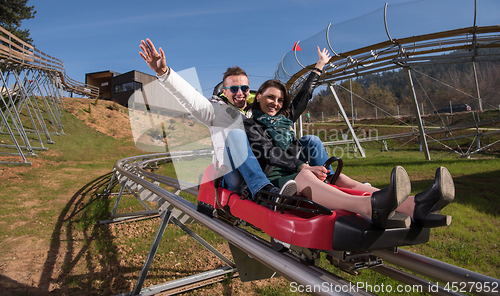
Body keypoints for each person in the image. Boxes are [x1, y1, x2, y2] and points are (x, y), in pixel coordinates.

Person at [244, 78, 455, 229]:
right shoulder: (250, 123)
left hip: (299, 169)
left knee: (341, 178)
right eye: (271, 97)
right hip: (278, 177)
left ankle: (415, 205)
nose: (275, 103)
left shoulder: (284, 118)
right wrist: (303, 166)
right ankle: (369, 207)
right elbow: (268, 152)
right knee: (310, 176)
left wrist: (318, 68)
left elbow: (303, 97)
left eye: (280, 100)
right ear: (258, 95)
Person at [139, 38, 329, 202]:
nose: (240, 93)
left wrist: (318, 68)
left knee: (310, 141)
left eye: (244, 88)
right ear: (224, 91)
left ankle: (330, 180)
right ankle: (263, 191)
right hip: (234, 171)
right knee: (237, 134)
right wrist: (164, 73)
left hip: (264, 165)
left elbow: (299, 103)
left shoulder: (257, 111)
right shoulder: (214, 110)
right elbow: (190, 98)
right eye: (234, 89)